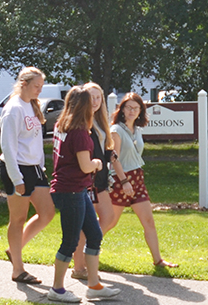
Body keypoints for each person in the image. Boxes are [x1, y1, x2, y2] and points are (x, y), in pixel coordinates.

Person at [45, 87, 121, 302]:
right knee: (70, 242)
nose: (95, 105)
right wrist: (98, 162)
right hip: (71, 191)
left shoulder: (62, 125)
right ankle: (57, 289)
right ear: (84, 106)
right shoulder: (78, 131)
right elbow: (86, 165)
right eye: (91, 102)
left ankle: (94, 285)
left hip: (76, 189)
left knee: (94, 235)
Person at [104, 93, 178, 268]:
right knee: (110, 221)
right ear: (122, 109)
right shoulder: (116, 130)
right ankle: (86, 251)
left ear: (140, 111)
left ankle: (158, 260)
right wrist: (124, 182)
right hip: (121, 180)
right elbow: (114, 159)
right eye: (128, 107)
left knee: (148, 221)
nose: (132, 111)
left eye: (135, 108)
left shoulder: (137, 130)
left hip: (137, 178)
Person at [0, 67, 55, 285]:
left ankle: (15, 249)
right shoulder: (13, 109)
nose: (39, 90)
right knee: (18, 219)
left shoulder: (32, 105)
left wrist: (40, 165)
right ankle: (18, 270)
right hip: (17, 169)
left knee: (47, 212)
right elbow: (8, 146)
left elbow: (34, 142)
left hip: (34, 169)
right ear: (23, 84)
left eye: (41, 86)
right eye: (36, 86)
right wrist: (17, 178)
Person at [70, 82, 124, 280]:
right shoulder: (82, 122)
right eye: (90, 97)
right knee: (87, 224)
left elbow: (106, 151)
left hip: (100, 179)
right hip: (87, 180)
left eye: (97, 97)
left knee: (108, 218)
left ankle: (87, 252)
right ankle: (79, 268)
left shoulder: (101, 122)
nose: (94, 101)